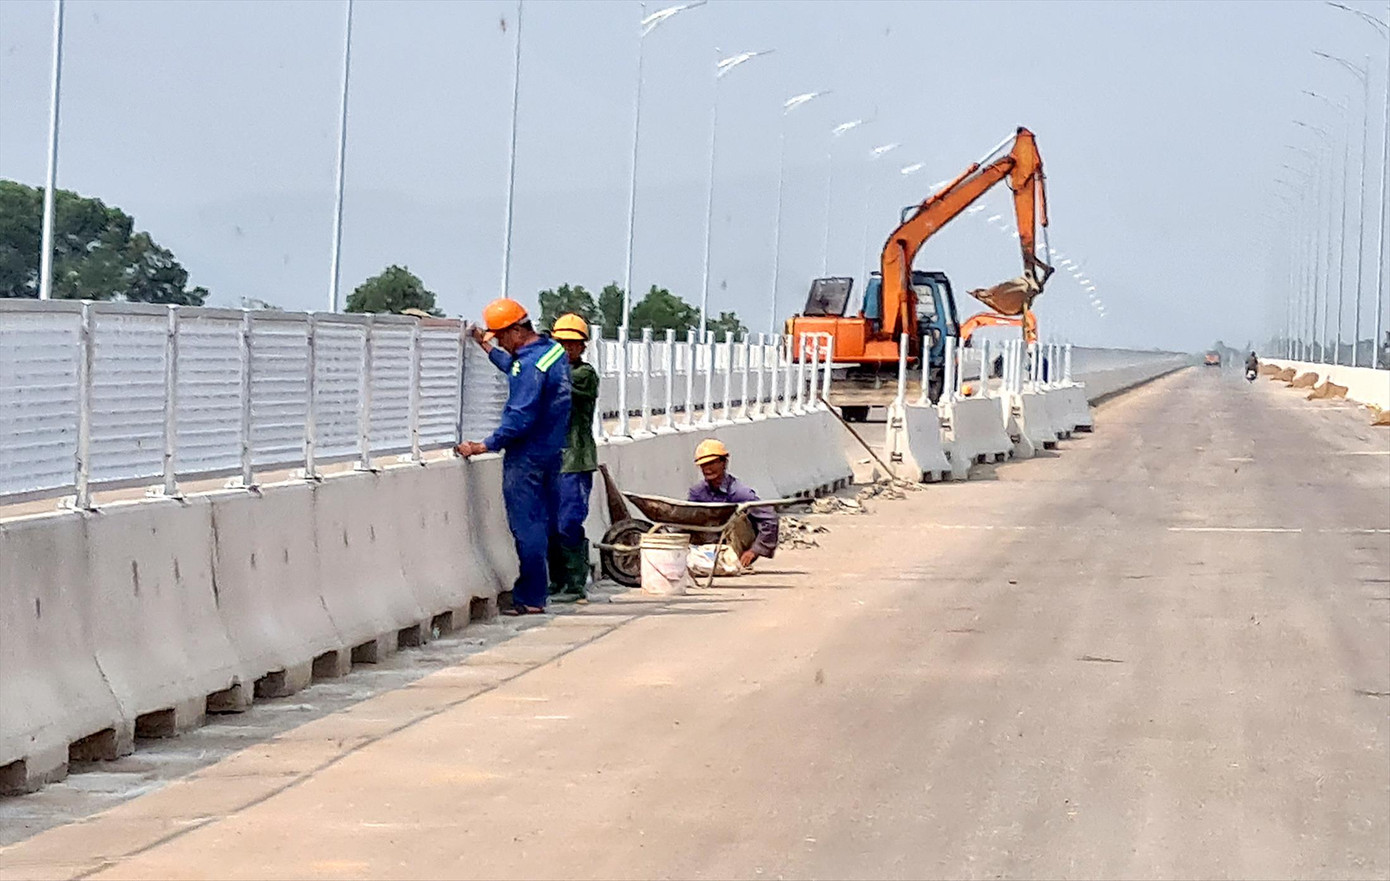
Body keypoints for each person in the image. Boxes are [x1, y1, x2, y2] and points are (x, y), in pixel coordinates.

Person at [455, 299, 571, 616]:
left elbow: (520, 417)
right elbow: (513, 368)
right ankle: (544, 588)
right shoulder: (552, 353)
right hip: (552, 451)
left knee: (527, 526)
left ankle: (531, 597)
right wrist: (486, 347)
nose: (501, 342)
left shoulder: (530, 366)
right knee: (545, 523)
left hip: (527, 455)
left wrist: (484, 445)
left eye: (501, 337)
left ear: (517, 331)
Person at [548, 314, 598, 604]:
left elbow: (560, 387)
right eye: (561, 343)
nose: (567, 349)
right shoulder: (552, 372)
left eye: (572, 344)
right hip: (552, 460)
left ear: (582, 347)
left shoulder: (583, 374)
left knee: (568, 521)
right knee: (549, 524)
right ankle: (558, 581)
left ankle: (576, 582)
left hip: (576, 460)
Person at [686, 439, 778, 569]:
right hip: (709, 542)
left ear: (724, 462)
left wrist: (755, 551)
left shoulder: (740, 492)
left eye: (712, 463)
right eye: (704, 465)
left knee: (736, 519)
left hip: (736, 543)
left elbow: (769, 518)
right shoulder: (698, 492)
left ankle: (730, 560)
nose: (708, 469)